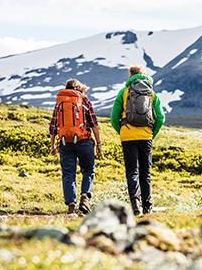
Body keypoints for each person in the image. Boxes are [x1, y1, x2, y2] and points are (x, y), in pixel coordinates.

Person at [110, 65, 165, 215]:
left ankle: (135, 205)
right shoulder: (152, 94)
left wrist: (122, 131)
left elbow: (114, 117)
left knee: (132, 171)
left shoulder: (124, 92)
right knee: (145, 172)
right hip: (146, 136)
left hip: (128, 137)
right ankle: (147, 206)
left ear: (131, 75)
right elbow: (160, 117)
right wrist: (151, 134)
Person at [49, 79, 102, 215]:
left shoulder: (59, 104)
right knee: (88, 170)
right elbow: (94, 123)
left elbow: (53, 126)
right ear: (80, 89)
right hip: (84, 141)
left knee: (68, 174)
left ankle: (71, 204)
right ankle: (84, 198)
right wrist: (98, 143)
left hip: (65, 143)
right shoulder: (85, 102)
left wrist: (53, 145)